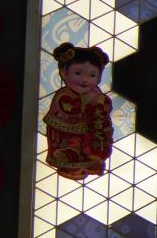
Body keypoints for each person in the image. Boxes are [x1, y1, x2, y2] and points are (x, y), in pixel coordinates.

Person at [42, 43, 113, 180]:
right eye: (78, 73)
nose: (85, 80)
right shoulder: (64, 95)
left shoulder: (95, 93)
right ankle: (71, 168)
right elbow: (71, 108)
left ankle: (93, 161)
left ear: (99, 77)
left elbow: (101, 110)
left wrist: (98, 104)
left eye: (92, 75)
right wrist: (89, 103)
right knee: (70, 154)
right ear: (64, 72)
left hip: (87, 133)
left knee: (91, 148)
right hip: (65, 134)